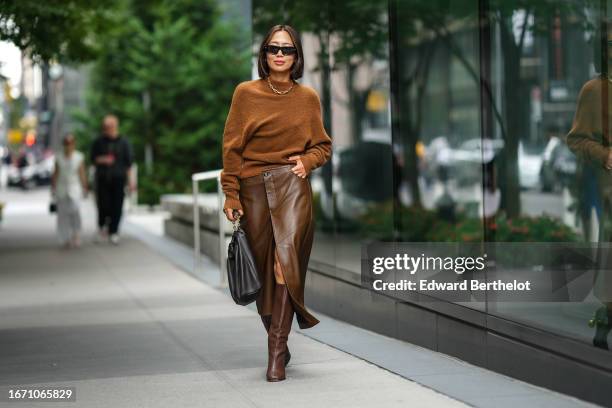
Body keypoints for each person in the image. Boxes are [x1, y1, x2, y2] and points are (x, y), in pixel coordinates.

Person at [221, 24, 332, 382]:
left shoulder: (308, 98)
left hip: (292, 187)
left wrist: (307, 161)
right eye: (273, 48)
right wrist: (231, 192)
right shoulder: (245, 93)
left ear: (297, 56)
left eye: (287, 49)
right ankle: (280, 339)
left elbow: (323, 146)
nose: (279, 54)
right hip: (252, 189)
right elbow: (232, 147)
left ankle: (275, 354)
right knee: (262, 278)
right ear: (264, 55)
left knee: (285, 266)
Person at [90, 114, 135, 245]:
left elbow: (129, 164)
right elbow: (93, 158)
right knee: (103, 204)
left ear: (115, 126)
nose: (107, 128)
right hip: (103, 178)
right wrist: (103, 160)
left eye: (110, 126)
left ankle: (113, 231)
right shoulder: (98, 142)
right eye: (105, 126)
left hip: (118, 178)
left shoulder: (124, 142)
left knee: (117, 205)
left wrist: (131, 181)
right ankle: (102, 226)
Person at [51, 133, 89, 248]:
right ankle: (64, 238)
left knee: (75, 212)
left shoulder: (79, 157)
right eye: (66, 143)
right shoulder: (58, 157)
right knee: (62, 215)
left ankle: (76, 234)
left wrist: (85, 187)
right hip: (61, 188)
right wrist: (53, 188)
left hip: (75, 187)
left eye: (71, 143)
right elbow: (55, 174)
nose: (69, 145)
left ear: (74, 144)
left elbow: (82, 173)